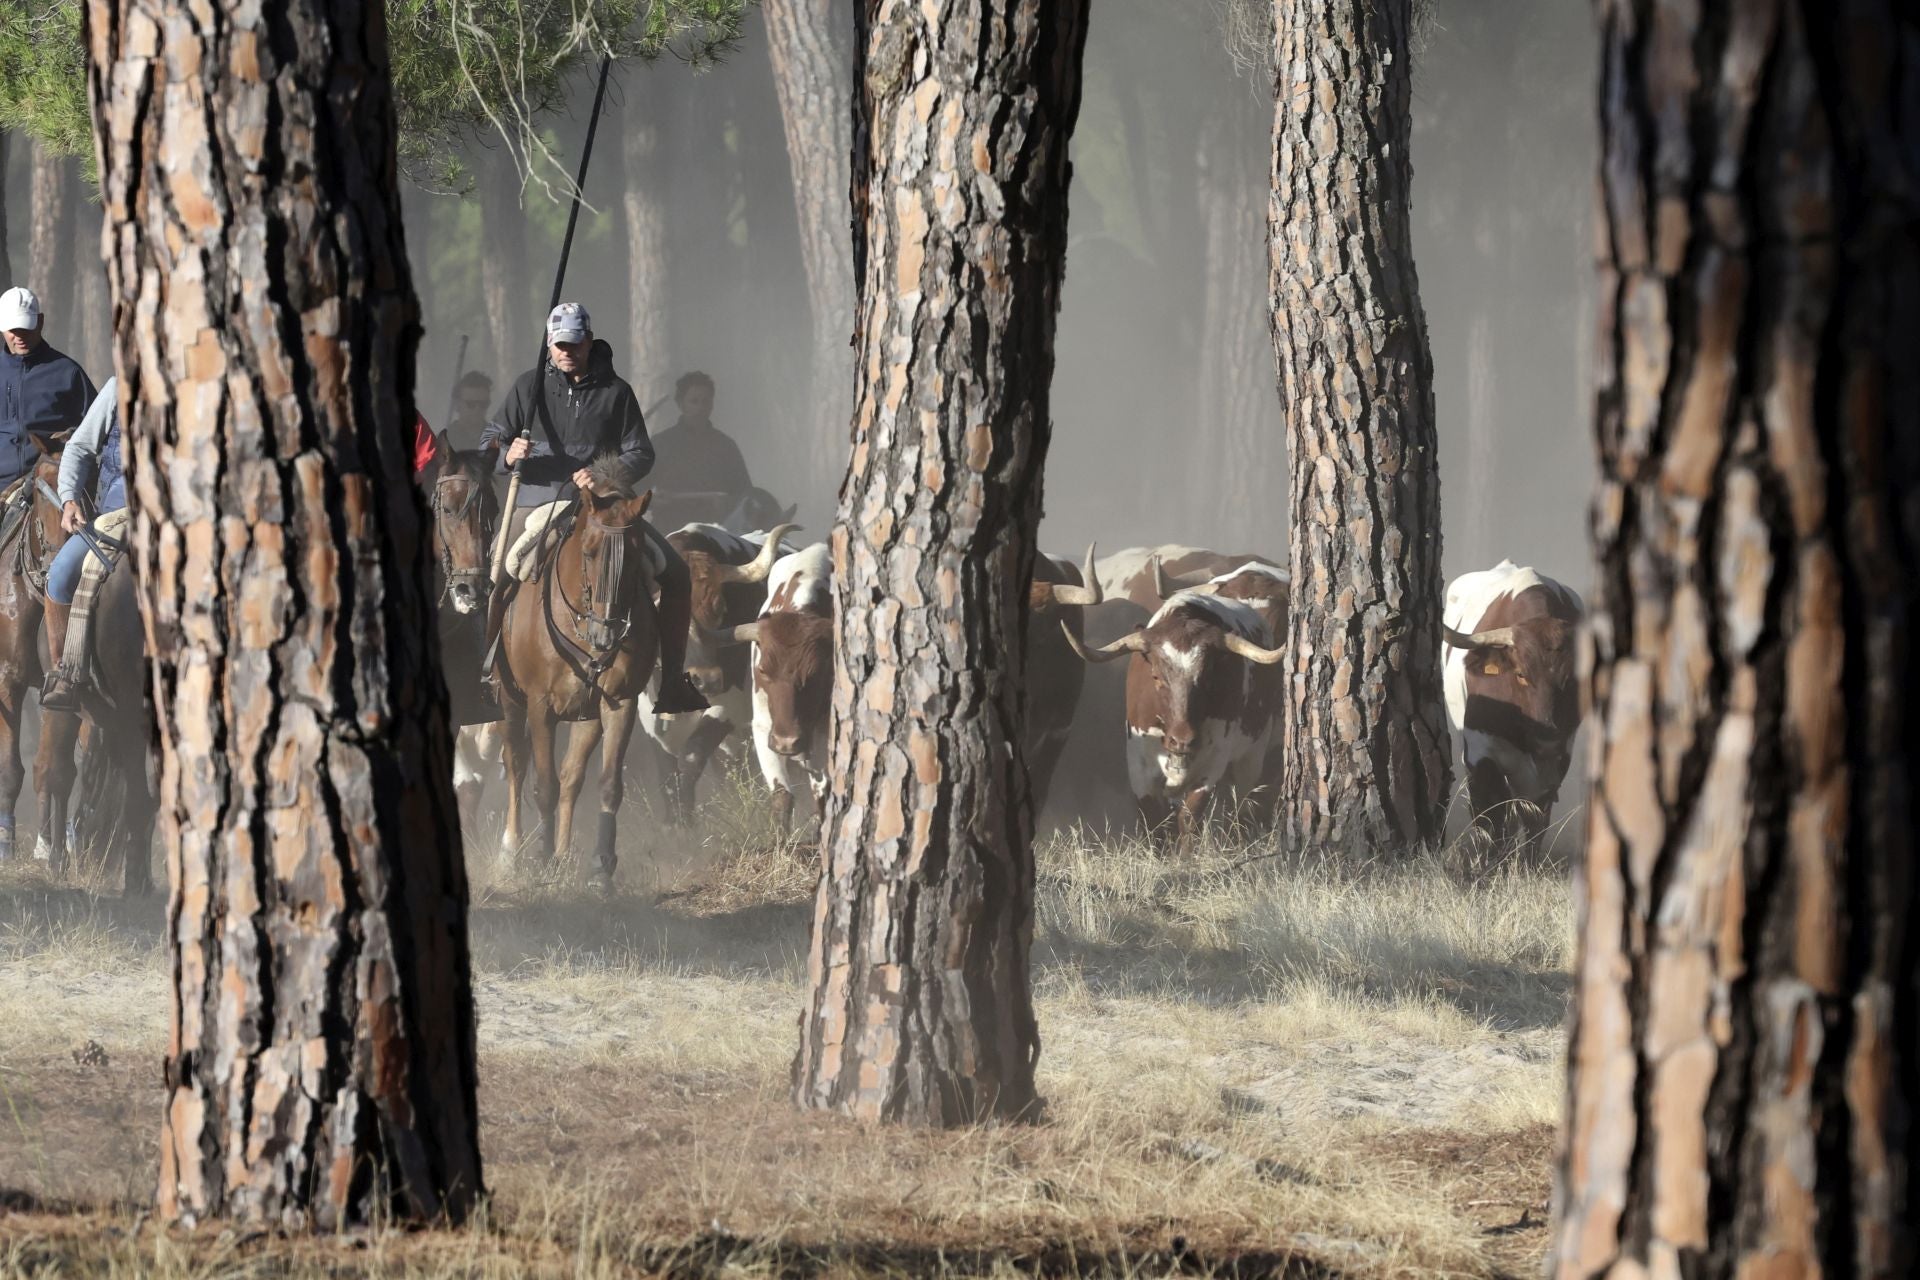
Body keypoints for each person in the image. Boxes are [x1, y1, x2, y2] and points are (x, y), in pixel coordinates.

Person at [482, 303, 708, 714]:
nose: (568, 350)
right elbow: (489, 443)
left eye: (575, 343)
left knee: (675, 575)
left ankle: (672, 681)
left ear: (589, 341)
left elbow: (641, 452)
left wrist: (606, 472)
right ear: (550, 344)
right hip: (537, 500)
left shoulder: (616, 392)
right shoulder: (527, 387)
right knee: (496, 573)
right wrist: (508, 453)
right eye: (560, 344)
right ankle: (490, 678)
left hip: (603, 507)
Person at [40, 378, 125, 711]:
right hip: (116, 515)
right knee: (60, 573)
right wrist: (70, 499)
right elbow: (78, 447)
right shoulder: (119, 387)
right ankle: (67, 674)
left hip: (185, 519)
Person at [0, 286, 94, 488]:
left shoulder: (68, 373)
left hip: (51, 484)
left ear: (40, 322)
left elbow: (96, 430)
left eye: (26, 328)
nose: (20, 336)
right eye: (13, 330)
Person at [646, 371, 753, 522]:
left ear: (712, 405)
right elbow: (634, 491)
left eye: (706, 401)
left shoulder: (725, 446)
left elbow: (745, 493)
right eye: (694, 401)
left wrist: (728, 503)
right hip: (668, 529)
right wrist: (650, 500)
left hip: (715, 532)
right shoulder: (660, 444)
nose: (700, 408)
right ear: (681, 404)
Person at [448, 370, 494, 448]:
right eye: (471, 404)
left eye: (483, 404)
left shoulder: (498, 439)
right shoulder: (444, 441)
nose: (477, 409)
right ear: (457, 404)